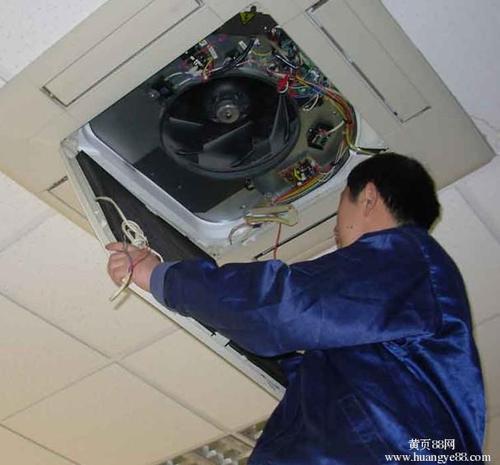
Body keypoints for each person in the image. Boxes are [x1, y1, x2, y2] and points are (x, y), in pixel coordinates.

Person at [106, 153, 485, 464]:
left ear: (368, 197)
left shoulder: (405, 257)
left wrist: (161, 277)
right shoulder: (402, 289)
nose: (337, 227)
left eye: (341, 205)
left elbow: (283, 308)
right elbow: (326, 375)